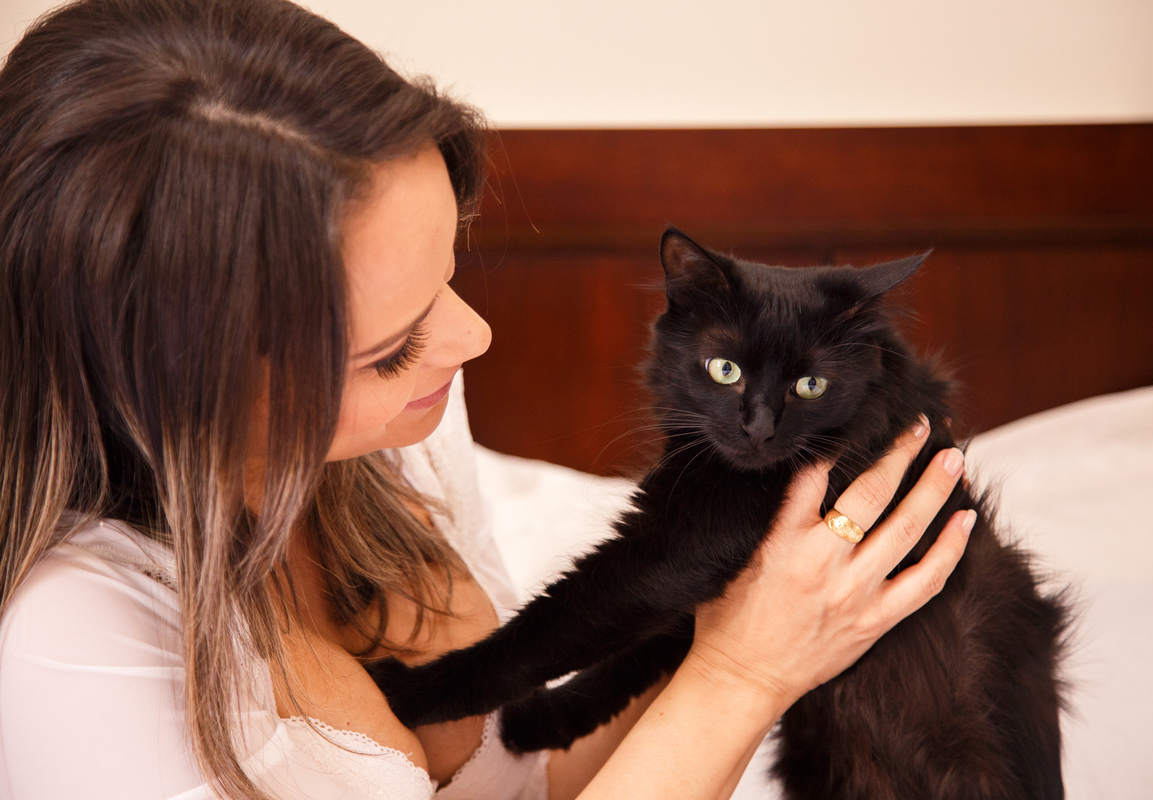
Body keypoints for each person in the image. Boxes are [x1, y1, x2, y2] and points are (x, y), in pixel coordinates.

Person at [0, 1, 974, 798]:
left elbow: (537, 784)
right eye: (393, 346)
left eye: (450, 277)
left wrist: (748, 600)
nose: (473, 340)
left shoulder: (398, 434)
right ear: (183, 393)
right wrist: (741, 675)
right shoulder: (66, 652)